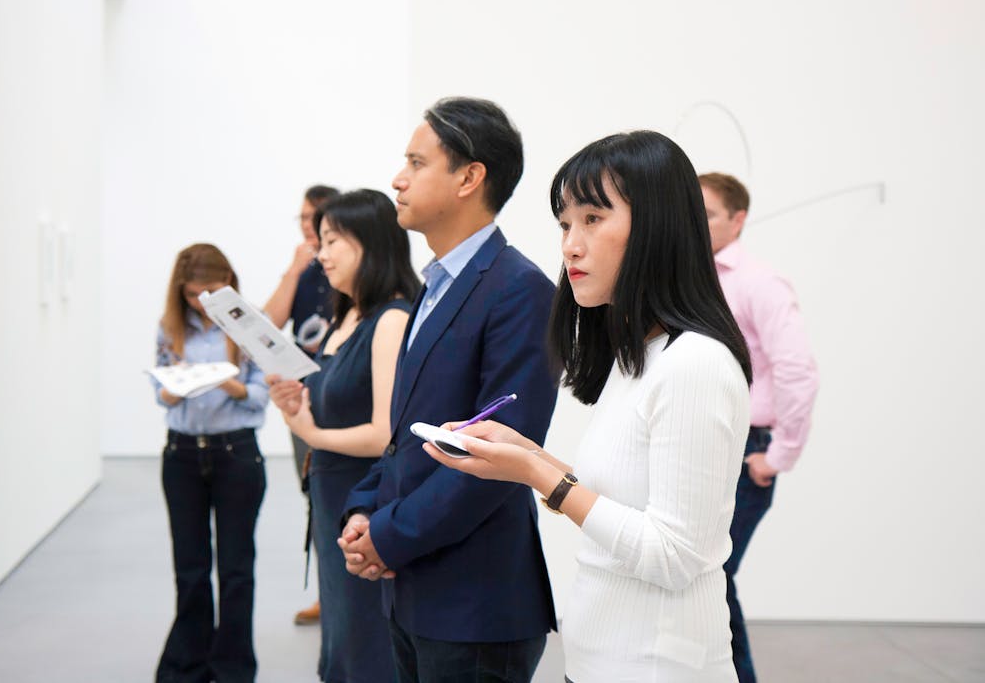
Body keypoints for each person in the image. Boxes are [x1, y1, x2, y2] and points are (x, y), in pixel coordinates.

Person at [427, 131, 754, 682]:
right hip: (602, 661)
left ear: (657, 225)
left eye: (593, 219)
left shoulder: (695, 364)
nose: (570, 245)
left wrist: (535, 473)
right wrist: (527, 454)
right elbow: (624, 501)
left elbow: (673, 556)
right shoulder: (642, 357)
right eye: (565, 224)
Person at [338, 97, 559, 683]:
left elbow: (497, 457)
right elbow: (407, 436)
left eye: (416, 162)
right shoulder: (433, 287)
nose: (397, 179)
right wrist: (365, 507)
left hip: (476, 603)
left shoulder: (519, 291)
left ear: (469, 176)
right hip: (416, 588)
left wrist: (386, 535)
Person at [268, 189, 419, 682]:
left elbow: (384, 434)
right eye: (322, 240)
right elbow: (335, 400)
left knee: (365, 645)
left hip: (362, 505)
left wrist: (310, 432)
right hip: (331, 500)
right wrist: (297, 401)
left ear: (371, 245)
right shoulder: (347, 314)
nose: (322, 253)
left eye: (334, 241)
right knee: (340, 641)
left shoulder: (392, 319)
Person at [699, 172, 819, 683]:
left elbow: (798, 370)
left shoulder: (758, 283)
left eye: (706, 214)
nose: (694, 224)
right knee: (700, 578)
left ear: (738, 219)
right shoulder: (690, 279)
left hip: (748, 447)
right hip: (704, 442)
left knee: (712, 577)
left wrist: (779, 456)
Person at [151, 243, 269, 683]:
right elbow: (159, 392)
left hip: (236, 454)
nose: (202, 302)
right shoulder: (170, 326)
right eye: (193, 294)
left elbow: (262, 395)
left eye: (212, 291)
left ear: (229, 283)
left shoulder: (249, 325)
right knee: (191, 568)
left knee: (236, 570)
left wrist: (230, 384)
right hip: (181, 454)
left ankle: (233, 668)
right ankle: (188, 665)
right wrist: (173, 388)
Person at [262, 183, 339, 626]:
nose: (307, 226)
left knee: (340, 493)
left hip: (343, 397)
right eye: (303, 218)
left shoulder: (349, 267)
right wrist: (292, 270)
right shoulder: (304, 270)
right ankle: (328, 595)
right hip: (302, 400)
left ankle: (346, 594)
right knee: (314, 494)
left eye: (315, 217)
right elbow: (268, 324)